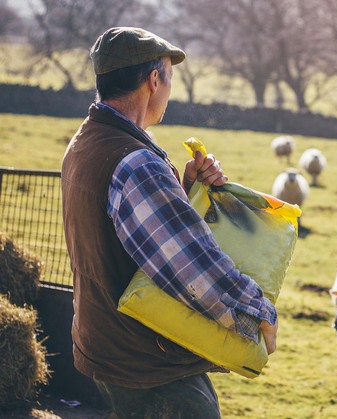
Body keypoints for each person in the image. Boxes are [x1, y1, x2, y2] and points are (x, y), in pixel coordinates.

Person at [61, 27, 278, 418]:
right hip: (147, 361)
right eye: (169, 78)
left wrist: (187, 188)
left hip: (104, 343)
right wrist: (255, 312)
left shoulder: (86, 141)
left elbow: (125, 230)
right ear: (153, 79)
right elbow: (189, 268)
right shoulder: (136, 163)